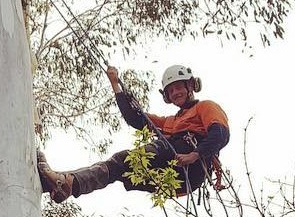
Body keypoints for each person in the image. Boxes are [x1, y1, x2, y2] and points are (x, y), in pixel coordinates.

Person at [37, 64, 230, 201]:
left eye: (178, 87)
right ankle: (63, 184)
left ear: (190, 86)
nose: (175, 93)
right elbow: (136, 119)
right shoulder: (170, 122)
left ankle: (66, 182)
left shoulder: (205, 107)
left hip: (191, 167)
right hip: (172, 173)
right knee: (121, 168)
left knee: (127, 159)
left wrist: (193, 155)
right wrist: (116, 86)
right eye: (170, 91)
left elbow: (220, 134)